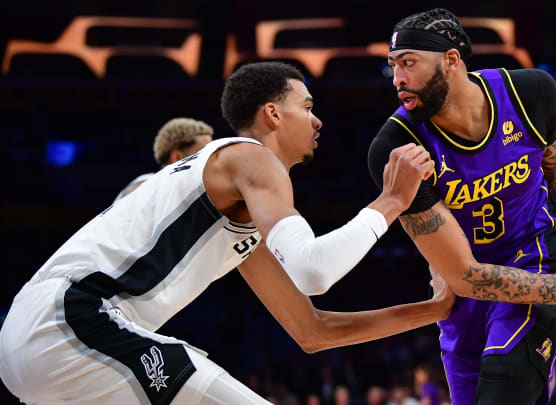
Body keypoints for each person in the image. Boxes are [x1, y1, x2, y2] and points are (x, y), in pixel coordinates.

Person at [0, 61, 451, 405]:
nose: (318, 122)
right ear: (272, 113)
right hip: (73, 320)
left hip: (40, 343)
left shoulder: (230, 207)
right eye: (308, 107)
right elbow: (315, 270)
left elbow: (314, 331)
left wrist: (436, 309)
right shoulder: (251, 158)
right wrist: (391, 200)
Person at [367, 8, 556, 405]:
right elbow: (464, 277)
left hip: (535, 257)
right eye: (393, 66)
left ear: (451, 60)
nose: (398, 79)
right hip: (465, 289)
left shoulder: (530, 95)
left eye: (408, 63)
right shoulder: (397, 149)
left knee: (503, 391)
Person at [115, 117, 214, 201]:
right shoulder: (145, 186)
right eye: (203, 152)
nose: (210, 158)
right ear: (177, 157)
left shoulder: (191, 193)